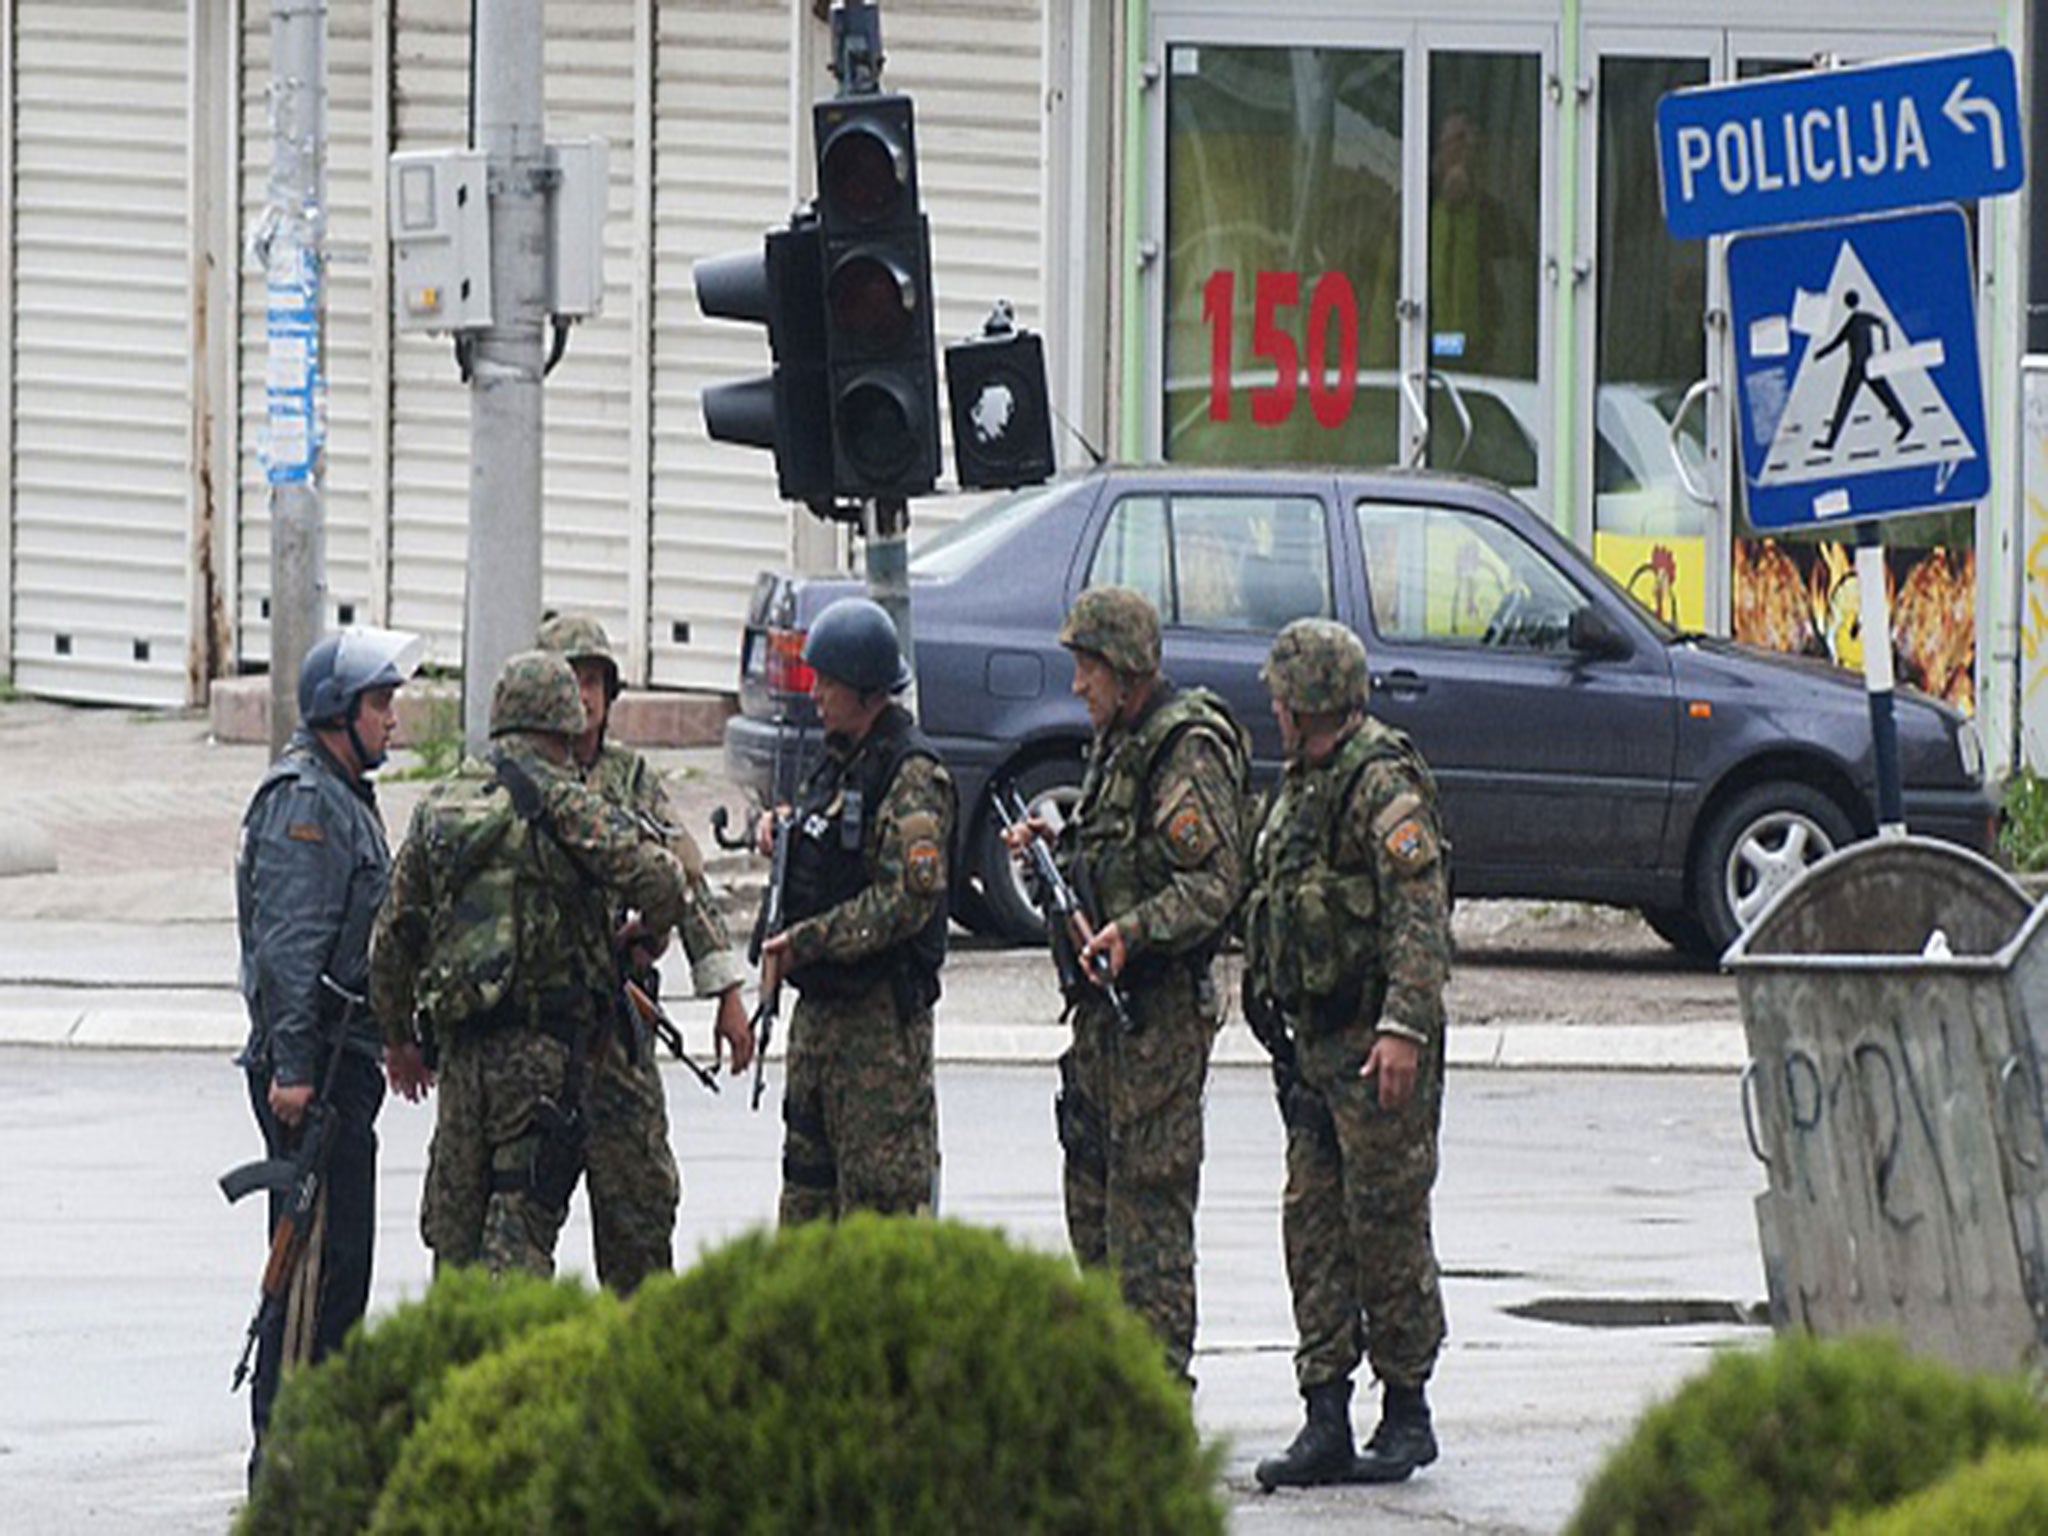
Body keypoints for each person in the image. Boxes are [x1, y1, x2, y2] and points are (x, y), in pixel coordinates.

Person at [369, 649, 700, 1279]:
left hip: (463, 1056)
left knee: (456, 1233)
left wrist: (397, 1038)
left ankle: (450, 1363)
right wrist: (645, 937)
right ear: (564, 726)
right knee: (519, 1228)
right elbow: (664, 882)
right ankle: (509, 1368)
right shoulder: (567, 802)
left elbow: (392, 936)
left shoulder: (440, 807)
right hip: (546, 1057)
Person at [1004, 585, 1248, 1386]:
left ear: (1127, 669)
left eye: (1086, 668)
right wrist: (1059, 841)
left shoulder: (1184, 750)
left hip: (1157, 1021)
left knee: (1148, 1220)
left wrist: (1133, 932)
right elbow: (1123, 849)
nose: (1076, 686)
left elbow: (1215, 882)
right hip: (1104, 1023)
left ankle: (1159, 1395)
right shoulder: (1117, 743)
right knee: (1094, 1210)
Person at [1241, 618, 1450, 1489]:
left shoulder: (1379, 783)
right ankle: (1324, 1413)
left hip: (1373, 1043)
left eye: (1284, 697)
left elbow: (1418, 911)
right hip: (1313, 1046)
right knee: (1314, 1225)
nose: (1276, 710)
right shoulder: (1302, 784)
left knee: (1386, 1223)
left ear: (1312, 701)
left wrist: (1403, 1027)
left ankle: (1406, 1410)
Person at [234, 625, 425, 1476]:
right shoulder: (306, 802)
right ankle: (285, 1469)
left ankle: (314, 1460)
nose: (392, 719)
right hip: (310, 1080)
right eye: (380, 704)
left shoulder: (346, 795)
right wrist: (297, 1069)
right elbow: (291, 947)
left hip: (346, 1066)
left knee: (341, 1269)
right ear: (336, 713)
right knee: (307, 1285)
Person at [534, 613, 753, 1293]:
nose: (585, 695)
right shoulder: (509, 780)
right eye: (571, 679)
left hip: (614, 1033)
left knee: (639, 1219)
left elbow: (688, 881)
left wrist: (725, 992)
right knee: (513, 1234)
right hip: (533, 1037)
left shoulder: (629, 779)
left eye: (595, 680)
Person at [756, 597, 953, 1226]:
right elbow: (831, 842)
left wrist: (805, 941)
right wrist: (784, 832)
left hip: (877, 1038)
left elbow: (905, 901)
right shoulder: (840, 758)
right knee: (806, 1214)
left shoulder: (912, 775)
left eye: (829, 682)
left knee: (880, 1220)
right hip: (820, 1027)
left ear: (867, 689)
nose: (816, 695)